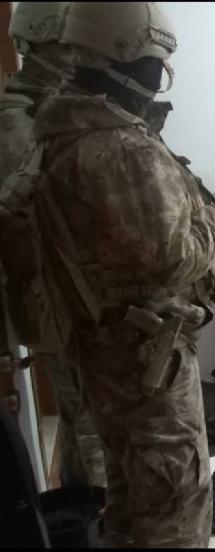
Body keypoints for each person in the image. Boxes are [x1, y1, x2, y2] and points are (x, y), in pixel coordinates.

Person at [33, 2, 215, 547]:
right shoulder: (121, 147)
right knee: (176, 503)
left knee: (132, 496)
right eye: (156, 61)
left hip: (107, 354)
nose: (161, 75)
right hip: (148, 362)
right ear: (124, 56)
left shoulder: (65, 132)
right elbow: (174, 256)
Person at [0, 1, 108, 490]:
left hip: (84, 297)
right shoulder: (17, 120)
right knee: (90, 422)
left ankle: (85, 506)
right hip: (61, 302)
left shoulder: (60, 107)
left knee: (88, 417)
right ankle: (100, 515)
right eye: (72, 47)